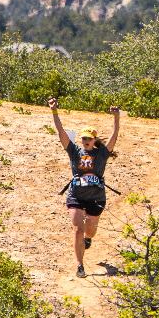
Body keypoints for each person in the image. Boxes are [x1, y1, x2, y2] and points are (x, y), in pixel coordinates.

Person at [48, 98, 123, 277]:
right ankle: (80, 266)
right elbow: (61, 133)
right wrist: (54, 111)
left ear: (95, 139)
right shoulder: (74, 151)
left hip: (96, 197)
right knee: (77, 230)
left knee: (90, 231)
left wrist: (116, 118)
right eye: (83, 137)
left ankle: (88, 240)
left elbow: (114, 135)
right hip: (76, 195)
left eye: (89, 138)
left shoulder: (101, 153)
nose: (86, 140)